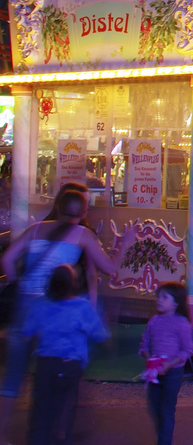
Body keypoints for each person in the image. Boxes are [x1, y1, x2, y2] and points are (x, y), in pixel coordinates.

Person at [0, 187, 117, 437]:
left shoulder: (34, 230)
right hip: (52, 308)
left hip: (25, 305)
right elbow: (108, 267)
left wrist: (19, 284)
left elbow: (8, 260)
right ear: (84, 210)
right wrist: (126, 242)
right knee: (56, 365)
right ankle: (54, 431)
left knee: (13, 376)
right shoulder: (82, 234)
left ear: (58, 206)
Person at [18, 266, 107, 445]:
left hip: (45, 364)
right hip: (70, 364)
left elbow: (26, 335)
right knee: (65, 410)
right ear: (72, 283)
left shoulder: (40, 304)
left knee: (41, 410)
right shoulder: (82, 307)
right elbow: (99, 334)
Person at [139, 283, 193, 445]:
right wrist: (150, 360)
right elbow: (144, 344)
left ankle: (164, 441)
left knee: (167, 410)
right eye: (158, 296)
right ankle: (164, 437)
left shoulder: (182, 323)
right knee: (155, 408)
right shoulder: (154, 321)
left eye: (164, 297)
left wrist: (168, 365)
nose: (159, 300)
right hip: (154, 372)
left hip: (173, 373)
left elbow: (187, 350)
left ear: (176, 302)